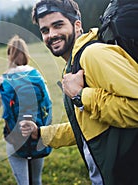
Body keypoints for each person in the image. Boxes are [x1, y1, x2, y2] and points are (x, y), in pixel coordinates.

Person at [19, 0, 138, 185]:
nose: (52, 35)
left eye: (58, 25)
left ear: (77, 25)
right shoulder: (72, 67)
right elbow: (88, 126)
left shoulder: (94, 55)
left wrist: (80, 96)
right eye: (45, 30)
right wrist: (42, 134)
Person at [0, 35, 52, 185]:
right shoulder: (37, 76)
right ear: (26, 54)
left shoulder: (3, 80)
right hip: (37, 135)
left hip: (14, 138)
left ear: (10, 55)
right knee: (36, 180)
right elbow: (48, 103)